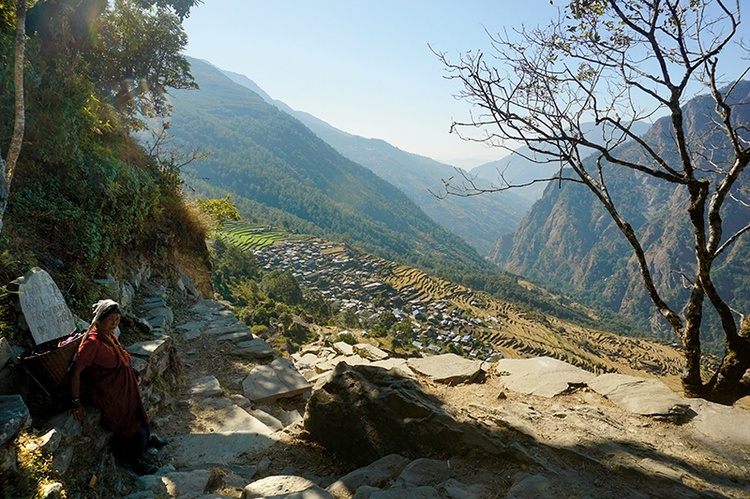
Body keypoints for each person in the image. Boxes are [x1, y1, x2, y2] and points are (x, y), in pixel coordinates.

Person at [70, 299, 166, 475]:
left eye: (117, 319)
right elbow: (76, 373)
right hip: (110, 393)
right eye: (110, 320)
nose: (114, 323)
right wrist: (76, 401)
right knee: (125, 422)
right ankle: (135, 461)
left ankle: (147, 440)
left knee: (137, 412)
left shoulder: (108, 335)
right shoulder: (91, 343)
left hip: (124, 386)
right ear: (98, 321)